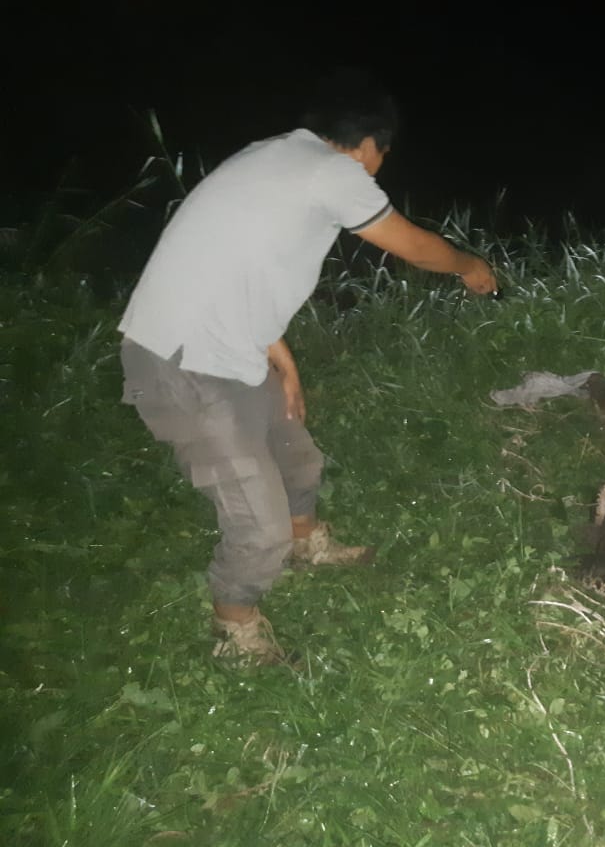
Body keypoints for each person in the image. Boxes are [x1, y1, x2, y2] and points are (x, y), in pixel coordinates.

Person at [118, 73, 498, 666]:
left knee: (297, 456)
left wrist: (282, 357)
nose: (377, 168)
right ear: (373, 145)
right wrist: (469, 266)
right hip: (182, 362)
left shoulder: (271, 155)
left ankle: (307, 545)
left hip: (230, 348)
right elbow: (414, 246)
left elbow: (236, 264)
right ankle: (234, 623)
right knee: (256, 523)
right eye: (381, 156)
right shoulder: (335, 172)